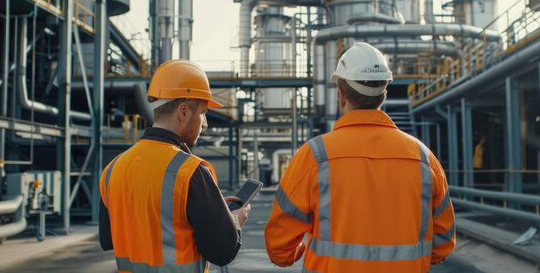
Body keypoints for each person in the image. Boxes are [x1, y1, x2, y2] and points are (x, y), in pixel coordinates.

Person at [265, 42, 456, 272]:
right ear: (383, 96)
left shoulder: (314, 156)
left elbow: (279, 248)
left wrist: (295, 253)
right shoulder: (424, 159)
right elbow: (443, 244)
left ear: (341, 97)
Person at [99, 60, 250, 272]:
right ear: (184, 112)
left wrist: (208, 212)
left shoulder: (113, 169)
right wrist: (233, 220)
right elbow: (222, 251)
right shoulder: (190, 172)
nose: (205, 123)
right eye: (203, 113)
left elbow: (109, 239)